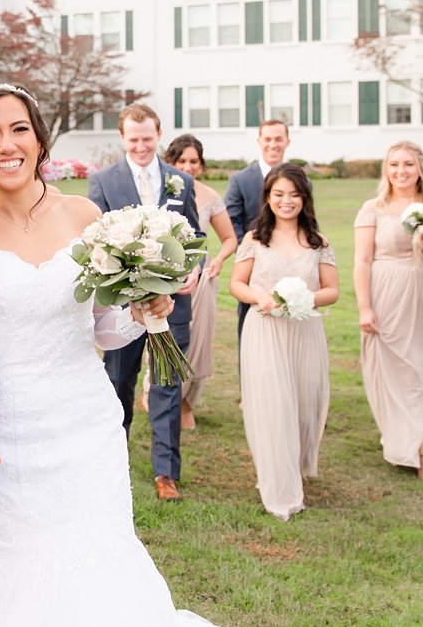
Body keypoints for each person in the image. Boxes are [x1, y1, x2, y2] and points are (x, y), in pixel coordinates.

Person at [0, 85, 261, 627]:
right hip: (9, 433)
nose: (7, 144)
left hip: (87, 425)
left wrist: (146, 309)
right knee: (17, 559)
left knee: (100, 553)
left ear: (40, 137)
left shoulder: (84, 214)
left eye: (19, 128)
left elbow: (101, 328)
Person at [86, 104, 200, 501]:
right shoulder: (102, 181)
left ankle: (166, 473)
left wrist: (192, 270)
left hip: (173, 304)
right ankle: (111, 461)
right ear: (122, 138)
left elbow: (195, 238)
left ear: (159, 133)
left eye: (147, 139)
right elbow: (96, 242)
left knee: (168, 383)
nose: (140, 146)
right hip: (123, 309)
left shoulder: (181, 181)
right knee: (119, 382)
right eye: (133, 139)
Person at [229, 163, 337, 520]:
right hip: (266, 332)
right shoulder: (254, 239)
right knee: (273, 407)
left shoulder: (318, 242)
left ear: (304, 198)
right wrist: (260, 298)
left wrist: (303, 299)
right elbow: (237, 285)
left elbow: (332, 291)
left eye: (293, 194)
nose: (286, 201)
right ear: (268, 198)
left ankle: (297, 467)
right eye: (278, 194)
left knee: (304, 406)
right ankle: (279, 488)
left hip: (305, 331)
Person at [352, 141, 423, 483]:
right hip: (386, 291)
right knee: (396, 371)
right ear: (386, 170)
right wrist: (365, 307)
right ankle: (421, 450)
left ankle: (411, 436)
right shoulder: (373, 208)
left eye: (407, 164)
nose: (400, 171)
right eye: (394, 165)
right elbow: (362, 260)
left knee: (420, 370)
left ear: (420, 168)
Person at [163, 134, 237, 428]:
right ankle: (158, 393)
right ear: (171, 162)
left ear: (202, 165)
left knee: (197, 342)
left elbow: (230, 238)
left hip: (200, 281)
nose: (188, 166)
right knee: (165, 339)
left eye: (194, 161)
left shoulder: (209, 196)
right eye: (182, 161)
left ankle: (185, 402)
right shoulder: (162, 190)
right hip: (165, 282)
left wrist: (217, 260)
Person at [224, 119, 292, 347]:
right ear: (259, 141)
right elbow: (231, 221)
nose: (273, 144)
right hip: (253, 271)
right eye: (268, 139)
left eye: (278, 139)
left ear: (287, 141)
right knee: (251, 339)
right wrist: (252, 255)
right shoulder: (240, 180)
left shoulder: (301, 181)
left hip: (291, 267)